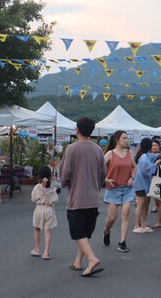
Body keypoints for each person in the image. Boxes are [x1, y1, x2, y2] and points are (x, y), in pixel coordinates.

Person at [59, 117, 106, 277]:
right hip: (93, 198)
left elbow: (65, 174)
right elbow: (103, 174)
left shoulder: (71, 149)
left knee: (78, 233)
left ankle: (92, 259)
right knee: (85, 233)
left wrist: (63, 183)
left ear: (77, 130)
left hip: (77, 199)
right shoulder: (98, 150)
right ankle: (78, 262)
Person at [102, 130, 137, 252]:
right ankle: (106, 231)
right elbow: (98, 169)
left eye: (127, 138)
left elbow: (134, 167)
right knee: (112, 217)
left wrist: (132, 177)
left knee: (126, 214)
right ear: (117, 139)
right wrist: (106, 180)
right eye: (124, 138)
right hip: (113, 189)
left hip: (127, 188)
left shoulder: (129, 153)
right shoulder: (110, 154)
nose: (126, 140)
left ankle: (122, 242)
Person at [132, 138, 160, 233]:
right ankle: (137, 225)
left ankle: (143, 224)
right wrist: (155, 165)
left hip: (143, 183)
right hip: (141, 183)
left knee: (143, 205)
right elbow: (145, 170)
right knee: (140, 205)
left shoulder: (144, 155)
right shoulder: (144, 157)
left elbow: (152, 157)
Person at [31, 165, 58, 260]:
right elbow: (55, 200)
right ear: (50, 176)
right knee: (47, 231)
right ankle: (46, 252)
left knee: (37, 229)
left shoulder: (37, 187)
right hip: (49, 210)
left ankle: (37, 249)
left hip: (39, 208)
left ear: (39, 176)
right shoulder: (52, 188)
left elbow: (33, 198)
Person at [149, 137, 161, 228]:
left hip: (158, 180)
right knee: (145, 202)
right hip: (148, 180)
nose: (154, 147)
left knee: (159, 202)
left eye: (156, 145)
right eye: (153, 145)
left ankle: (159, 222)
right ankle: (143, 221)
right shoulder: (148, 156)